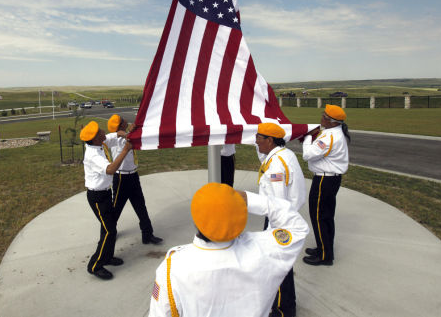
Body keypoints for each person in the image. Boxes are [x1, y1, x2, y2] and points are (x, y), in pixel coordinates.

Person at [148, 182, 308, 317]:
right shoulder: (264, 250)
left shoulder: (173, 269)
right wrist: (249, 199)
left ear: (196, 220)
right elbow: (298, 227)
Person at [255, 123, 306, 317]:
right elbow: (262, 155)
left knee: (278, 265)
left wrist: (273, 231)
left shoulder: (277, 165)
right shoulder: (281, 153)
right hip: (280, 217)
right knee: (280, 265)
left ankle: (283, 310)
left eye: (259, 138)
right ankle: (284, 305)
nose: (256, 141)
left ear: (269, 140)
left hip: (279, 221)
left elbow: (278, 201)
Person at [81, 120, 133, 280]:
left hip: (104, 193)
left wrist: (125, 134)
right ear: (96, 138)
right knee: (110, 230)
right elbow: (110, 170)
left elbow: (114, 135)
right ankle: (95, 265)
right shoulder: (93, 155)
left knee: (109, 229)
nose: (104, 131)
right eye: (100, 131)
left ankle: (108, 256)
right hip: (97, 197)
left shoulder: (99, 143)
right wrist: (125, 149)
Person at [302, 104, 350, 266]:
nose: (321, 117)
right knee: (326, 216)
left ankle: (324, 255)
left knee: (319, 216)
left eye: (324, 116)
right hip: (331, 179)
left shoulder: (328, 137)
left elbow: (308, 155)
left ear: (331, 121)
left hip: (324, 180)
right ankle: (324, 248)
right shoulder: (332, 133)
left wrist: (308, 138)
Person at [105, 114, 162, 245]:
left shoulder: (127, 135)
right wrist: (128, 132)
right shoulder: (116, 139)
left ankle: (147, 234)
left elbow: (132, 135)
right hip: (121, 178)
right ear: (120, 126)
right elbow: (124, 138)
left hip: (133, 176)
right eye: (122, 120)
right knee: (116, 209)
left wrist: (132, 130)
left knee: (140, 206)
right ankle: (108, 234)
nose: (126, 120)